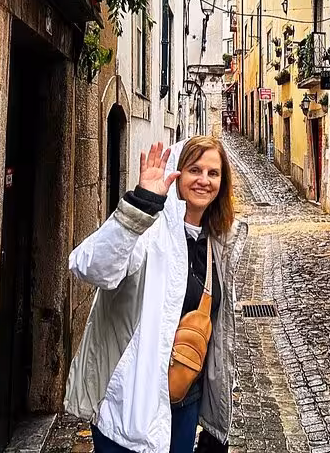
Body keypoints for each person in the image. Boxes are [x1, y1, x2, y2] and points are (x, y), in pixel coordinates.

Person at [64, 137, 247, 452]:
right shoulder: (147, 232)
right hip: (129, 406)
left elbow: (220, 340)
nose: (204, 180)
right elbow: (90, 267)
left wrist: (217, 427)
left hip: (184, 400)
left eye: (213, 173)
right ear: (176, 175)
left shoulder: (218, 243)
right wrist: (139, 206)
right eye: (194, 170)